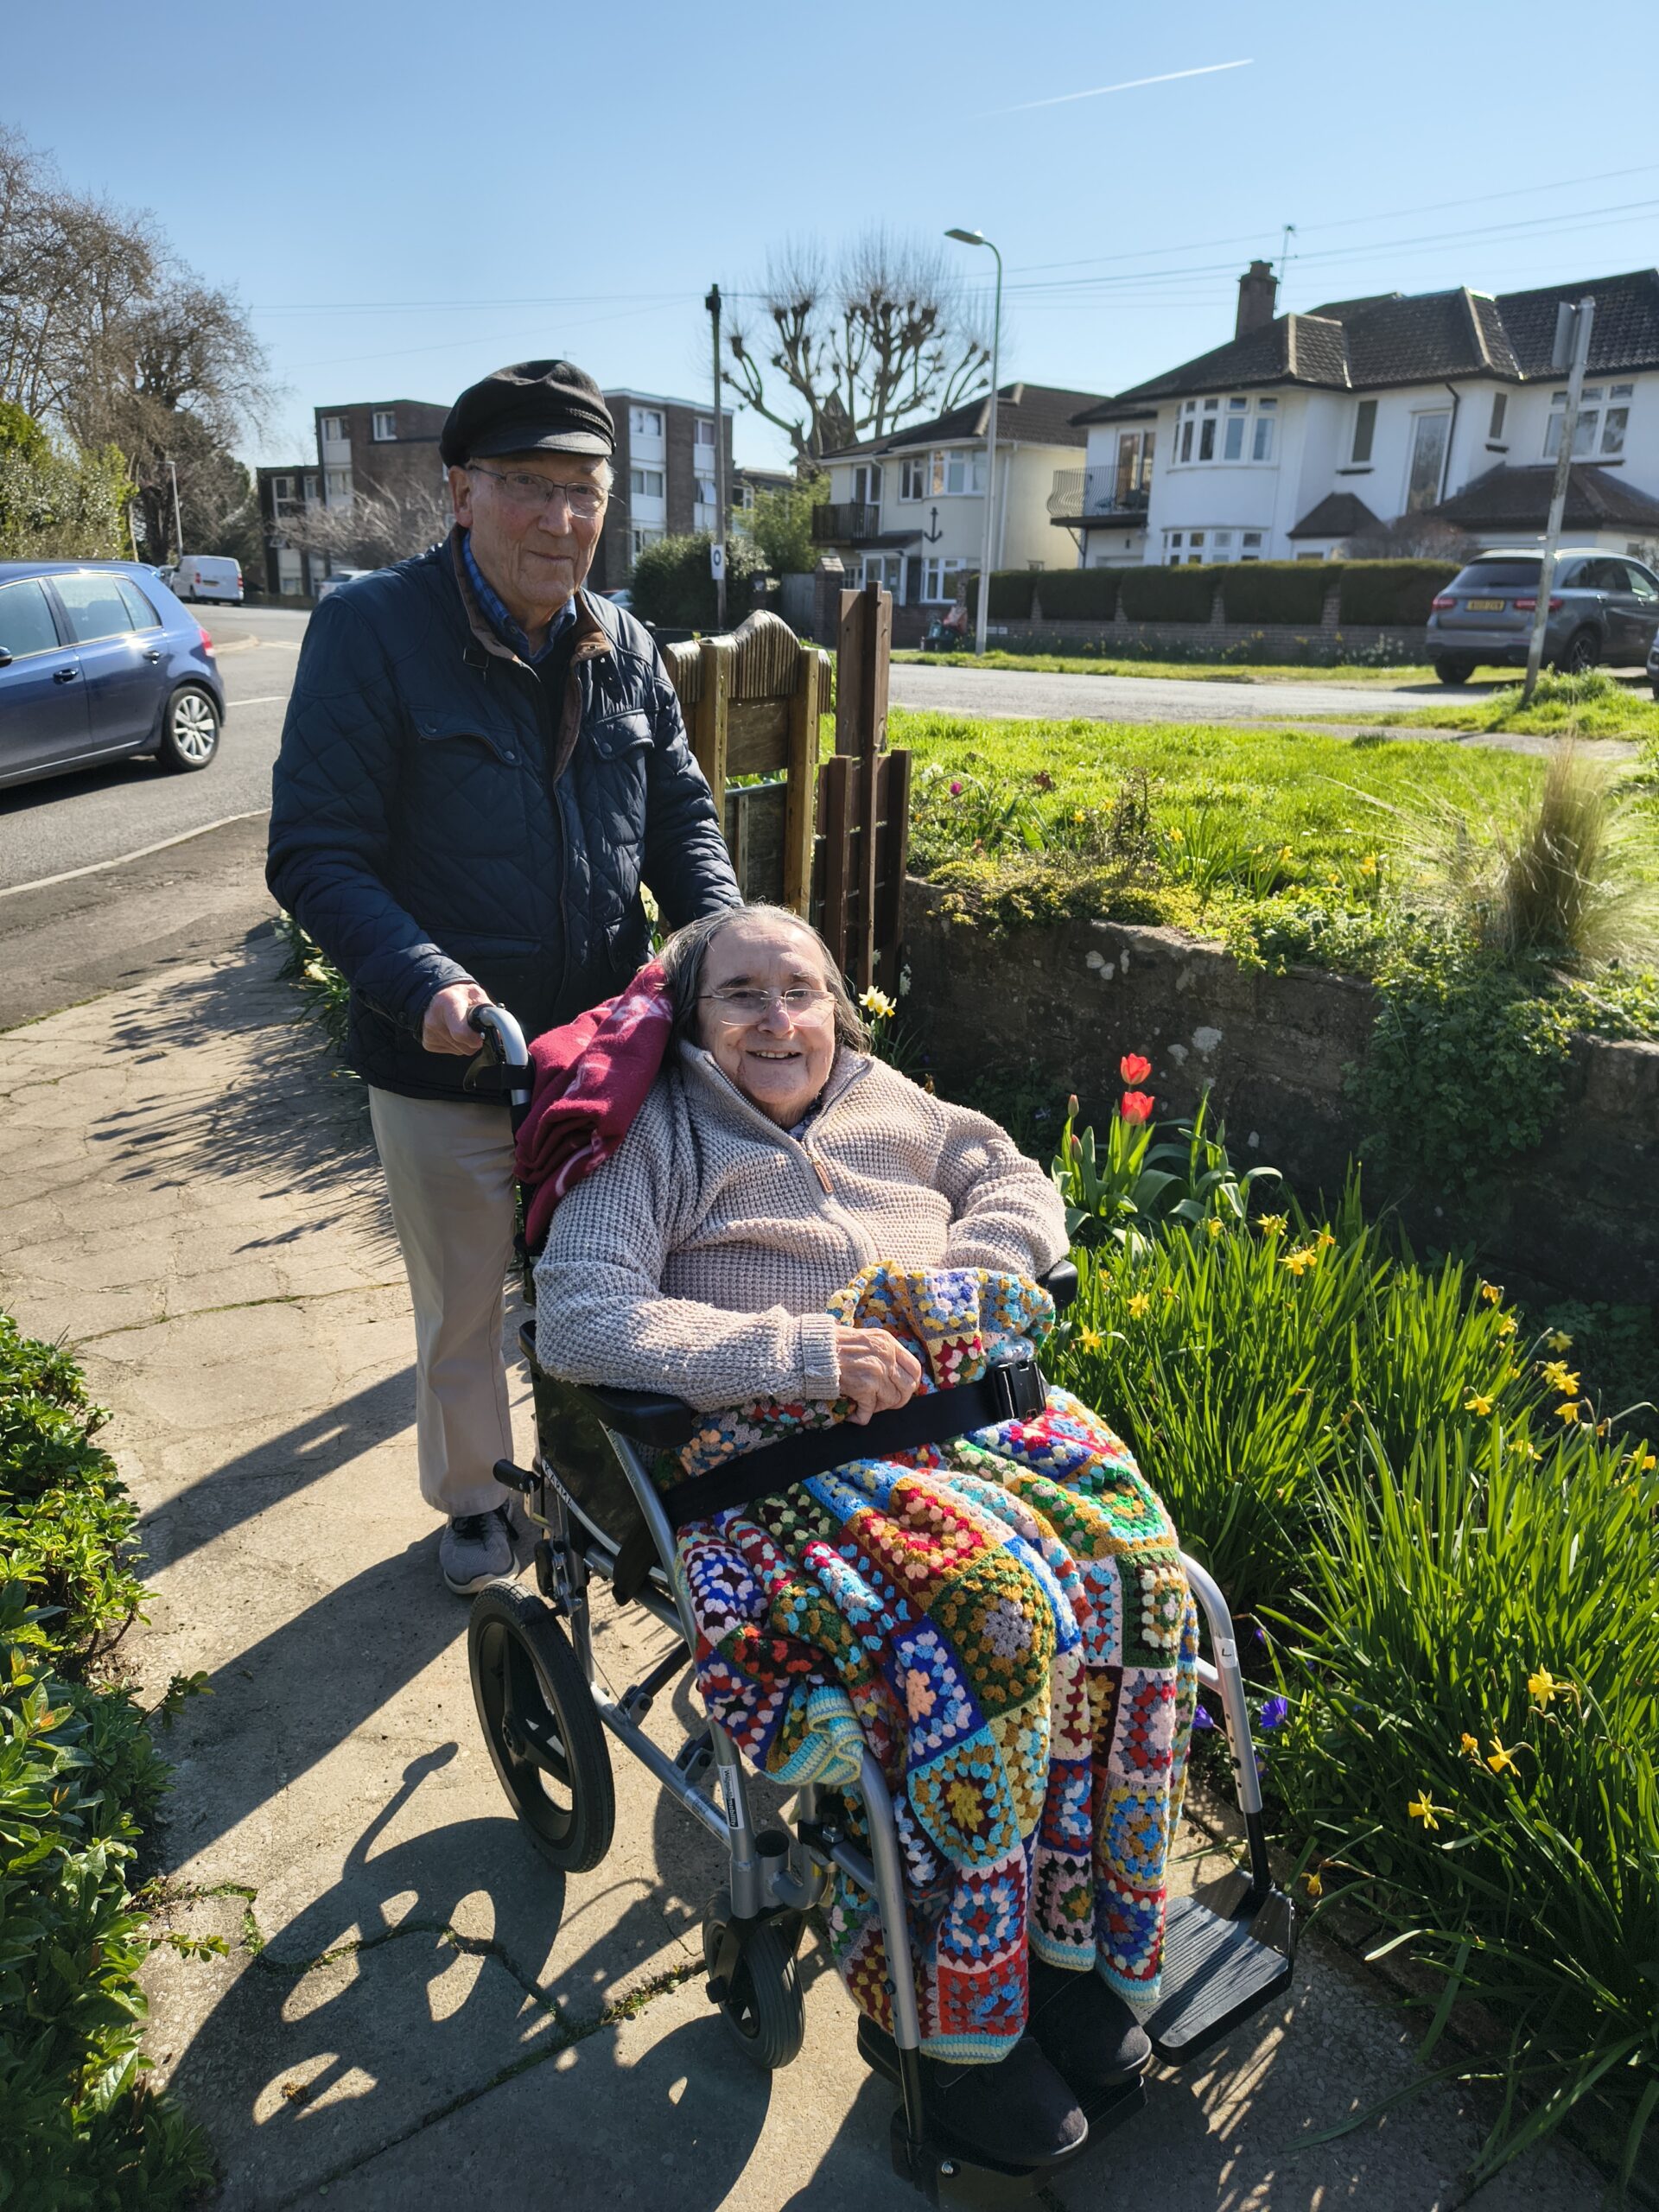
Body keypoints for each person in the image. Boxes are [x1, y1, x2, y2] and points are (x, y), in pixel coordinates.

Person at [535, 906, 1196, 2171]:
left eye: (801, 991)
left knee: (1140, 1582)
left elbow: (1008, 1175)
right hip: (786, 1463)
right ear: (693, 1020)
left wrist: (965, 1279)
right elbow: (579, 1315)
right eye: (739, 995)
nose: (777, 1020)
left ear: (840, 1008)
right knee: (995, 1630)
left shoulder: (887, 1096)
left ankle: (1062, 1946)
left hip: (964, 1418)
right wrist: (802, 1354)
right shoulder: (655, 1140)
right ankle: (948, 2020)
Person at [267, 360, 740, 1596]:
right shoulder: (373, 631)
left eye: (584, 492)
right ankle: (475, 1499)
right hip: (447, 1061)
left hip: (600, 1059)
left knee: (611, 1290)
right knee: (467, 1308)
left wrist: (732, 952)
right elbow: (315, 852)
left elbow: (680, 822)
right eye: (529, 486)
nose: (561, 518)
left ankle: (596, 1501)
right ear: (462, 492)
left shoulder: (626, 642)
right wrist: (423, 981)